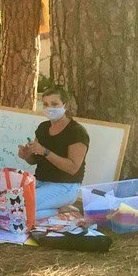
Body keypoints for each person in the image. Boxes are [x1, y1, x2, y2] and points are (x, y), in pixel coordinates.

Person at [16, 85, 90, 219]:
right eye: (45, 104)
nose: (49, 108)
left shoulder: (77, 132)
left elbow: (73, 168)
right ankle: (59, 209)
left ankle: (61, 211)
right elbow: (35, 159)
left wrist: (45, 151)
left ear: (65, 105)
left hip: (65, 186)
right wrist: (26, 155)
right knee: (11, 203)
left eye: (54, 104)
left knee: (20, 211)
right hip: (40, 181)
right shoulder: (43, 127)